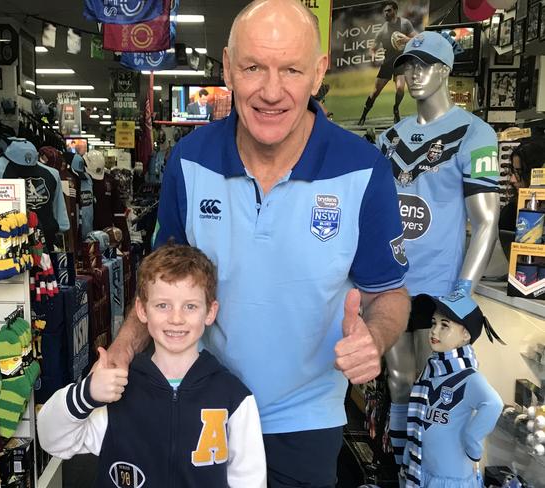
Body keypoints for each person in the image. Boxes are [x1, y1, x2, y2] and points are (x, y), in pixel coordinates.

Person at [106, 1, 411, 486]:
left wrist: (373, 338)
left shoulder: (363, 170)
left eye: (291, 69)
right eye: (253, 68)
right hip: (203, 404)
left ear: (318, 73)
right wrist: (123, 350)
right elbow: (159, 286)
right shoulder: (189, 161)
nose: (272, 91)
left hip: (305, 421)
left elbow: (389, 292)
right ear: (227, 68)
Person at [38, 244, 267, 487]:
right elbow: (52, 440)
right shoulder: (116, 390)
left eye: (190, 306)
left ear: (210, 312)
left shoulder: (234, 397)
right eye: (162, 305)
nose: (176, 318)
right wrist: (87, 394)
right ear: (142, 310)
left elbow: (250, 481)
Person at [377, 31, 500, 467]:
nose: (414, 74)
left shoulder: (476, 134)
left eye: (424, 65)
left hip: (441, 287)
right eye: (408, 66)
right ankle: (398, 469)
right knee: (397, 380)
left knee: (438, 388)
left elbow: (487, 220)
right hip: (391, 284)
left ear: (445, 70)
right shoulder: (389, 138)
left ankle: (432, 470)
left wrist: (463, 291)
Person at [402, 291, 503, 488]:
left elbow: (493, 404)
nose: (434, 331)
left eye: (444, 325)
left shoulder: (469, 378)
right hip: (422, 472)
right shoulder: (431, 369)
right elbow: (419, 420)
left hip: (450, 479)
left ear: (466, 334)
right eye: (433, 323)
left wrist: (472, 442)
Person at [358, 1, 416, 125]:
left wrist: (407, 39)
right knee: (375, 92)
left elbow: (418, 38)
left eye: (389, 10)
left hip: (401, 61)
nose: (386, 13)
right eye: (385, 11)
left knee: (400, 88)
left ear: (395, 10)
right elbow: (372, 48)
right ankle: (363, 115)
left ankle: (395, 109)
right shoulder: (382, 30)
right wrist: (372, 55)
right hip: (387, 63)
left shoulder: (405, 24)